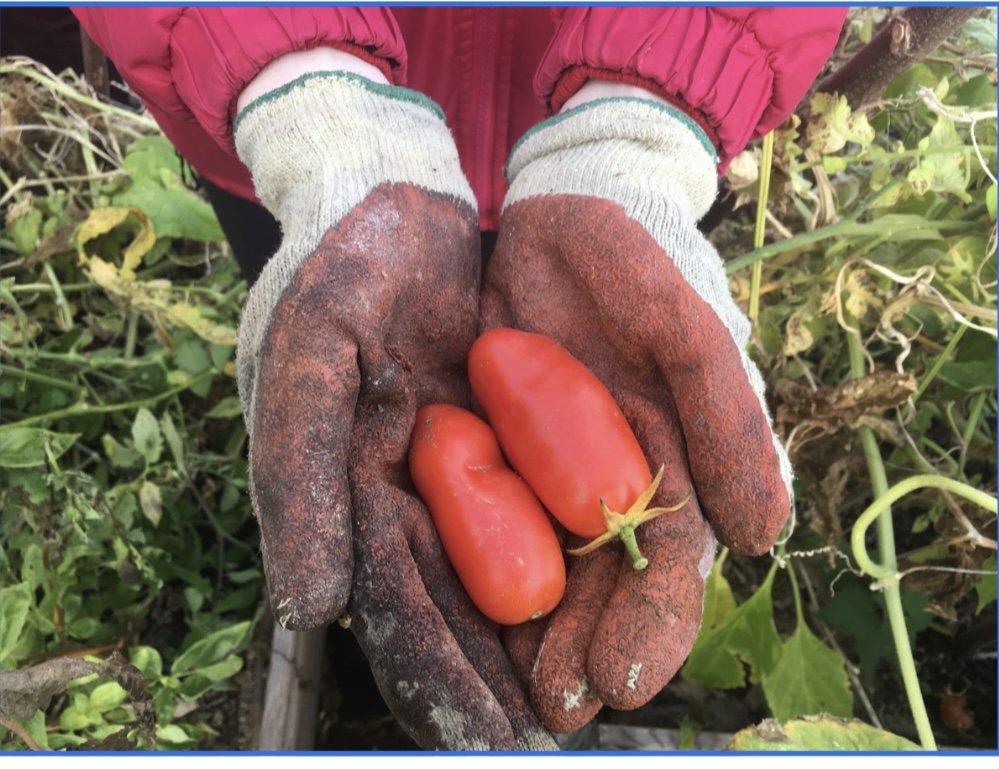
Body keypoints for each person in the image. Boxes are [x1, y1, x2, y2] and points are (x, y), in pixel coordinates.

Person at [71, 6, 848, 751]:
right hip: (295, 128)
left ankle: (433, 692)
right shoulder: (610, 496)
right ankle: (377, 676)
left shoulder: (599, 498)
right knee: (341, 391)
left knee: (388, 427)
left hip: (597, 121)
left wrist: (644, 113)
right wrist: (305, 96)